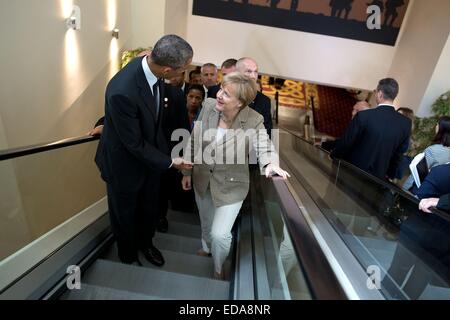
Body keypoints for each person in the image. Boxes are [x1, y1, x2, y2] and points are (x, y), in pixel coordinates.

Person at [94, 35, 194, 266]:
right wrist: (171, 162)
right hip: (124, 167)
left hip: (149, 161)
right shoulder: (122, 90)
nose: (183, 73)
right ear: (168, 69)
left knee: (149, 210)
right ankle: (128, 256)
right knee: (125, 216)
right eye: (182, 69)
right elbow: (133, 143)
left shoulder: (152, 67)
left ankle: (146, 244)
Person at [181, 72, 290, 279]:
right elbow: (194, 140)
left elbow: (264, 145)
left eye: (227, 94)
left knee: (220, 235)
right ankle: (206, 246)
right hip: (202, 178)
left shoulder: (254, 120)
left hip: (232, 186)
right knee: (206, 223)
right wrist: (187, 170)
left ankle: (219, 266)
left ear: (240, 102)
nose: (220, 95)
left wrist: (270, 163)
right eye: (221, 89)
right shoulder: (209, 106)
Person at [331, 78, 411, 180]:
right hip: (378, 179)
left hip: (351, 173)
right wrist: (390, 174)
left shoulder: (364, 116)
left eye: (375, 91)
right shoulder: (405, 123)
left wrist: (334, 155)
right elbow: (398, 154)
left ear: (380, 94)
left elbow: (346, 142)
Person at [403, 116, 450, 190]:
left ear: (442, 129)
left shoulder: (433, 150)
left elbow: (417, 174)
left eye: (437, 124)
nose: (436, 126)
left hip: (419, 190)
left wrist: (404, 189)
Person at [236, 57, 273, 137]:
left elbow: (267, 133)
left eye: (255, 72)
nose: (253, 76)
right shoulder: (223, 93)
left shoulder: (264, 101)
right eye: (248, 71)